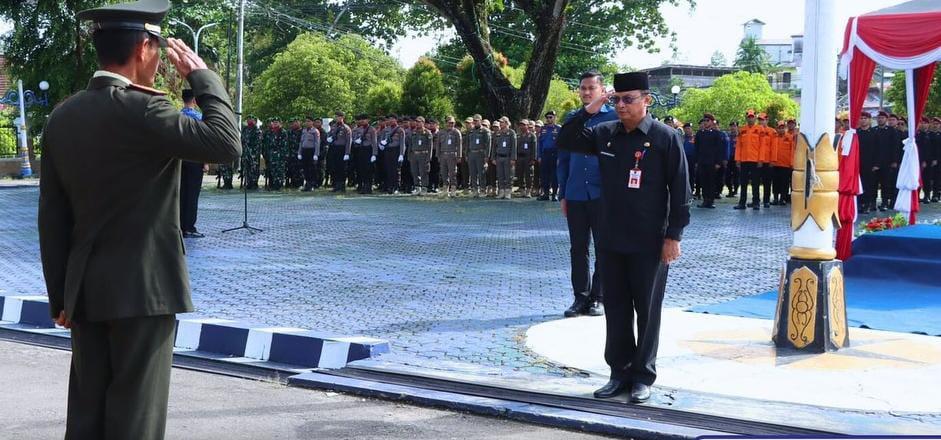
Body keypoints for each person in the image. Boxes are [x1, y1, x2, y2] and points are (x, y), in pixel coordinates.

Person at [38, 1, 241, 438]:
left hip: (85, 293)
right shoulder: (146, 110)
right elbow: (225, 144)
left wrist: (61, 297)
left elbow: (52, 218)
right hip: (144, 293)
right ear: (145, 49)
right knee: (136, 419)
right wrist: (202, 77)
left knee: (87, 415)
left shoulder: (62, 117)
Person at [557, 71, 690, 403]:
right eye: (617, 99)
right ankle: (619, 373)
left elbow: (681, 189)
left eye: (629, 99)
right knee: (616, 308)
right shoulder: (605, 134)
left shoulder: (664, 137)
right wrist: (590, 108)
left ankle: (643, 375)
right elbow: (566, 139)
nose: (622, 106)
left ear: (647, 100)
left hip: (650, 240)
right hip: (611, 236)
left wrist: (673, 235)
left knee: (647, 309)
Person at [558, 70, 616, 318]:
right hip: (576, 193)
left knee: (604, 247)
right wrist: (563, 193)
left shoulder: (614, 116)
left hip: (603, 194)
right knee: (578, 248)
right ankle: (580, 298)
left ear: (602, 90)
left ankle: (598, 298)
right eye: (583, 88)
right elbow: (562, 159)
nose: (586, 92)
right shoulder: (573, 119)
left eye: (591, 88)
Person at [179, 89, 207, 237]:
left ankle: (180, 226)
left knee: (181, 193)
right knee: (192, 194)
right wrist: (206, 161)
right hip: (195, 160)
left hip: (180, 160)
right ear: (195, 100)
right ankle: (189, 227)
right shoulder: (199, 118)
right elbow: (203, 142)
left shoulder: (177, 116)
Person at [734, 110, 763, 210]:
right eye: (749, 117)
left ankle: (756, 202)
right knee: (743, 182)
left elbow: (762, 146)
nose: (750, 118)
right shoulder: (742, 130)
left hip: (755, 161)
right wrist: (737, 159)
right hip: (744, 160)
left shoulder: (760, 130)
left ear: (755, 118)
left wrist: (760, 160)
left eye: (752, 117)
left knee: (755, 182)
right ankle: (742, 203)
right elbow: (738, 146)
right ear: (746, 118)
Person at [694, 113, 723, 209]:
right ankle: (705, 200)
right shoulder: (699, 133)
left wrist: (718, 162)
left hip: (712, 162)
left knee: (711, 182)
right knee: (703, 182)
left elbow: (719, 149)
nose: (705, 122)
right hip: (702, 162)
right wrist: (697, 161)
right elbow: (697, 148)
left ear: (711, 122)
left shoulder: (716, 134)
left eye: (707, 121)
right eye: (704, 121)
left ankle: (711, 201)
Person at [491, 116, 517, 199]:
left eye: (502, 122)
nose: (500, 124)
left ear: (506, 123)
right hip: (499, 157)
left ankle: (508, 191)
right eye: (500, 122)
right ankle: (501, 191)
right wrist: (493, 158)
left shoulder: (511, 133)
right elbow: (494, 147)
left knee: (508, 175)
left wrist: (513, 158)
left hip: (508, 157)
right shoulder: (497, 133)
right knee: (500, 175)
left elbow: (514, 146)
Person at [437, 116, 463, 197]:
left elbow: (459, 145)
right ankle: (445, 189)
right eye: (449, 122)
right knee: (443, 173)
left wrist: (459, 156)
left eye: (452, 123)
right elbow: (438, 145)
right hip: (443, 155)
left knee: (452, 173)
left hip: (452, 155)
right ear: (446, 123)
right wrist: (438, 155)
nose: (451, 124)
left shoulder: (456, 132)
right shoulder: (441, 132)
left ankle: (453, 189)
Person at [327, 111, 352, 192]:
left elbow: (349, 141)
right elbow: (330, 135)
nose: (337, 118)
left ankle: (342, 186)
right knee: (335, 167)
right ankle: (336, 185)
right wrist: (329, 139)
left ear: (342, 117)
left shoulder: (346, 128)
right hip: (334, 148)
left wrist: (347, 153)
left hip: (342, 149)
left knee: (342, 168)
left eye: (339, 116)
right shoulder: (334, 126)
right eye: (336, 116)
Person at [466, 114, 491, 197]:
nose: (475, 122)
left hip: (480, 154)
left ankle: (483, 190)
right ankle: (475, 190)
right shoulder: (470, 131)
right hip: (471, 154)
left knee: (481, 173)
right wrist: (467, 154)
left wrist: (486, 157)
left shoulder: (485, 131)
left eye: (477, 121)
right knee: (472, 173)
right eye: (474, 121)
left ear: (480, 121)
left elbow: (488, 145)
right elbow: (467, 144)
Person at [352, 114, 378, 194]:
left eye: (364, 119)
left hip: (368, 150)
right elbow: (354, 138)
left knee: (368, 169)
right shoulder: (358, 129)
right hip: (361, 150)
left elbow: (374, 142)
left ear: (368, 120)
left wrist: (374, 154)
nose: (362, 121)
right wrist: (356, 141)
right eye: (361, 119)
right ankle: (364, 186)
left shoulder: (372, 129)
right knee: (361, 169)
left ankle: (368, 187)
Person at [770, 120, 794, 205]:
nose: (781, 129)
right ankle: (775, 199)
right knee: (775, 182)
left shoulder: (790, 138)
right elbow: (770, 150)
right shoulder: (773, 138)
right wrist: (771, 161)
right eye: (779, 128)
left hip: (786, 165)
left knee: (785, 183)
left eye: (783, 128)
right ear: (777, 129)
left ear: (785, 128)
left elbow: (792, 151)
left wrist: (791, 163)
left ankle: (782, 199)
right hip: (775, 164)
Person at [380, 114, 406, 194]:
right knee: (388, 169)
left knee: (396, 170)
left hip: (396, 150)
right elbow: (382, 139)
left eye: (392, 119)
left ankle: (396, 187)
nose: (391, 121)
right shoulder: (385, 130)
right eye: (389, 119)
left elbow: (402, 143)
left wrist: (401, 154)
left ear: (396, 120)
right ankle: (390, 186)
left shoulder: (400, 130)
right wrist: (381, 144)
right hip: (388, 150)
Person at [538, 111, 560, 201]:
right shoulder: (543, 129)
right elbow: (540, 144)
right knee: (544, 175)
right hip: (545, 154)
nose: (549, 119)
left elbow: (561, 144)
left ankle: (554, 194)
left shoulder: (559, 129)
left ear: (555, 118)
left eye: (551, 117)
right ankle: (546, 194)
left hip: (555, 154)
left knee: (554, 175)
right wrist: (539, 156)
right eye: (547, 118)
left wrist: (560, 157)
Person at [262, 116, 288, 190]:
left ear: (280, 123)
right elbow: (267, 144)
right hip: (271, 156)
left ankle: (278, 186)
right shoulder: (270, 132)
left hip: (280, 156)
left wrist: (282, 155)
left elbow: (284, 145)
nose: (275, 124)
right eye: (274, 122)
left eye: (277, 122)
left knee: (279, 171)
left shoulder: (283, 132)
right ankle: (273, 185)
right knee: (272, 171)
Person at [298, 116, 321, 192]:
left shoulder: (315, 131)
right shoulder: (304, 130)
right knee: (305, 168)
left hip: (312, 151)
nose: (307, 123)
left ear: (312, 122)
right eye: (306, 121)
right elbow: (301, 142)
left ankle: (311, 185)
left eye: (309, 121)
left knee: (312, 169)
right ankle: (307, 184)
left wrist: (316, 154)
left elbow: (317, 143)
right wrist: (299, 152)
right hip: (304, 151)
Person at [516, 119, 537, 197]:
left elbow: (534, 148)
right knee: (520, 175)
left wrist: (533, 159)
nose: (522, 126)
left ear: (528, 126)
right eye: (521, 125)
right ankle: (522, 190)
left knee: (529, 175)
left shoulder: (532, 136)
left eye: (524, 125)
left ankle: (528, 190)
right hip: (519, 158)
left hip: (528, 158)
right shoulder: (518, 135)